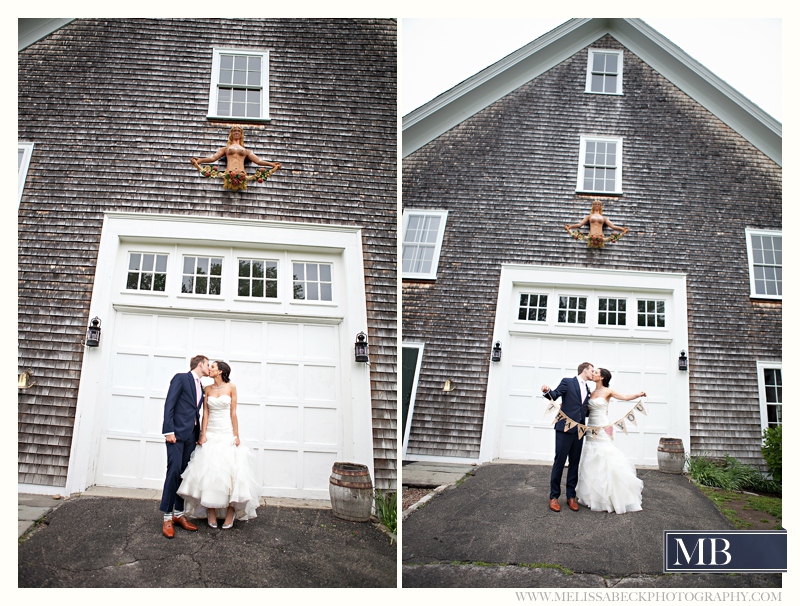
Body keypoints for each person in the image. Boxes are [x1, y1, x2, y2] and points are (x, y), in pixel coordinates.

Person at [177, 361, 260, 528]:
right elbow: (205, 414)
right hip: (211, 433)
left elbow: (233, 413)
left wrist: (236, 435)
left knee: (230, 471)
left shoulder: (231, 387)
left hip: (226, 431)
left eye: (213, 367)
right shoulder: (207, 388)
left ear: (221, 371)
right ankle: (211, 511)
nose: (210, 369)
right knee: (210, 471)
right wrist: (202, 434)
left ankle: (231, 511)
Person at [575, 368, 646, 514]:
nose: (593, 373)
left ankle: (610, 495)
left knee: (605, 455)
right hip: (591, 428)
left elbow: (625, 397)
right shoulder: (590, 392)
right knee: (590, 458)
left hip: (602, 427)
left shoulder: (608, 391)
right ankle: (592, 496)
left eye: (596, 372)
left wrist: (638, 394)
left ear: (602, 377)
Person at [160, 354, 210, 539]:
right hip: (176, 435)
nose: (209, 367)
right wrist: (168, 430)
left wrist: (199, 435)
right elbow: (169, 404)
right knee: (173, 472)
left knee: (184, 474)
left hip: (191, 436)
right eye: (207, 364)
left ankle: (179, 514)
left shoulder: (201, 386)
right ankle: (167, 517)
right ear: (200, 364)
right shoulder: (181, 378)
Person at [541, 362, 594, 513]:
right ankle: (554, 497)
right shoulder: (568, 381)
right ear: (585, 370)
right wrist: (547, 391)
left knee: (574, 463)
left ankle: (571, 496)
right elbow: (555, 394)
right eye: (592, 370)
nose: (593, 372)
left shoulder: (587, 388)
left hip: (579, 430)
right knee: (559, 462)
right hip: (564, 428)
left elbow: (583, 409)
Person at [190, 125, 281, 175]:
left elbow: (258, 161)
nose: (236, 132)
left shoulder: (246, 151)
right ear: (231, 134)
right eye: (234, 131)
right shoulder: (225, 149)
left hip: (241, 173)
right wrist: (200, 160)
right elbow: (213, 158)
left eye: (238, 131)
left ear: (241, 134)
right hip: (229, 173)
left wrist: (272, 164)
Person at [564, 199, 629, 239]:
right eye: (595, 204)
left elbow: (612, 226)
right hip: (591, 235)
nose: (597, 205)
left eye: (598, 204)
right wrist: (570, 226)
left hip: (600, 235)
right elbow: (580, 224)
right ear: (593, 206)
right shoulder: (589, 217)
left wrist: (622, 229)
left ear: (600, 206)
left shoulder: (604, 218)